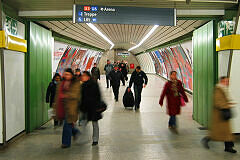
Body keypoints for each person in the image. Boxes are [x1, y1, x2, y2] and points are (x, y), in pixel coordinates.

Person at [201, 77, 237, 153]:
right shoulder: (218, 89)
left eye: (228, 81)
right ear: (222, 81)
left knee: (226, 132)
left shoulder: (223, 89)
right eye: (226, 81)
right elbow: (218, 101)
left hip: (223, 114)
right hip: (220, 115)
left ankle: (228, 147)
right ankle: (207, 139)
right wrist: (227, 105)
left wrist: (229, 104)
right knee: (219, 133)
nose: (227, 82)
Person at [54, 68, 82, 148]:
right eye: (65, 74)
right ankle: (75, 132)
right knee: (68, 124)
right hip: (62, 107)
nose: (66, 76)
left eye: (68, 74)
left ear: (71, 75)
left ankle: (65, 143)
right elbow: (57, 95)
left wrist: (66, 95)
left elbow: (76, 95)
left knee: (66, 124)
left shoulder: (76, 83)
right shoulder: (61, 83)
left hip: (72, 107)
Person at [80, 71, 102, 146]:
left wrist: (98, 106)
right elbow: (82, 97)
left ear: (88, 77)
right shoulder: (83, 85)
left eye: (84, 76)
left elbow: (98, 96)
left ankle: (95, 139)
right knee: (83, 123)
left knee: (95, 124)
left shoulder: (94, 84)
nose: (82, 77)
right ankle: (83, 138)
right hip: (85, 108)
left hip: (94, 107)